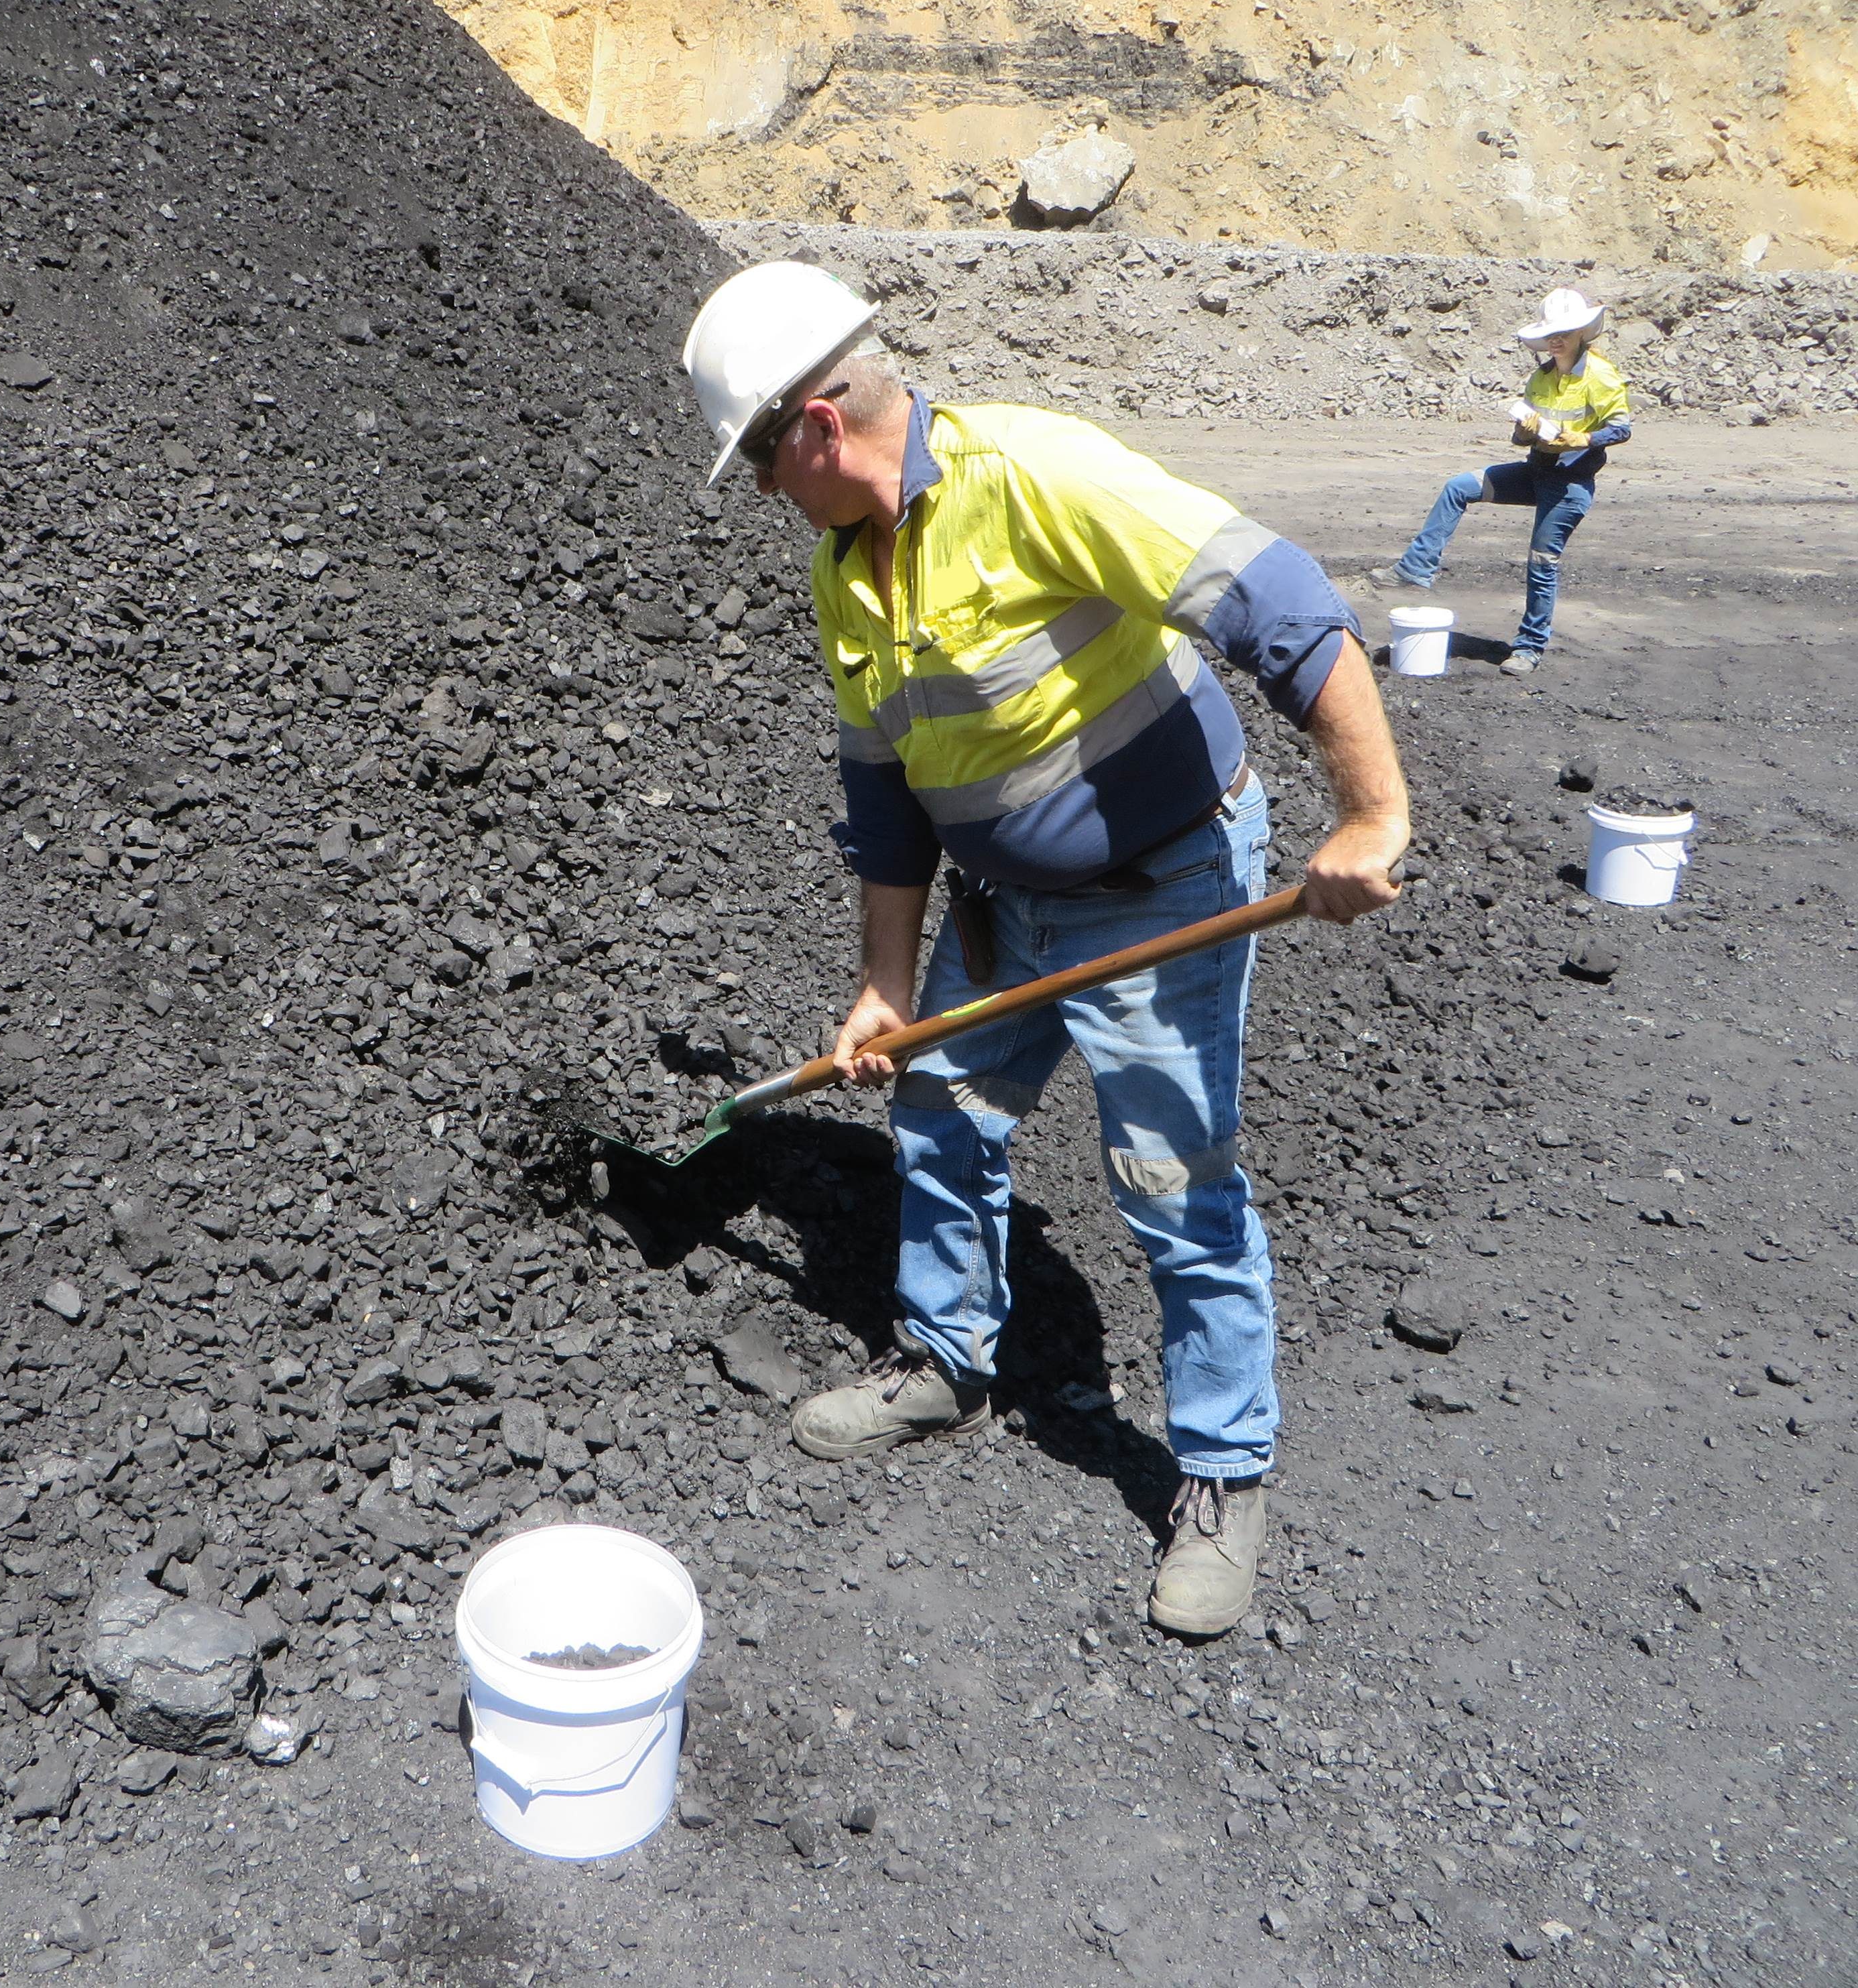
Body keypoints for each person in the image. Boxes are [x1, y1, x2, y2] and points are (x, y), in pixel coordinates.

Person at [680, 261, 1412, 1638]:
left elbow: (1281, 598)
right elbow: (883, 793)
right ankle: (947, 1363)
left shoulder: (1035, 475)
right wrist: (885, 984)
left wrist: (1370, 813)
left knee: (1169, 1180)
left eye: (763, 466)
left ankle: (1217, 1472)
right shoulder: (844, 571)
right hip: (1003, 899)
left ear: (818, 430)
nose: (767, 497)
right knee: (937, 1108)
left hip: (1163, 885)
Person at [1370, 287, 1633, 674]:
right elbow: (1520, 438)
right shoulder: (1540, 378)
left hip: (1569, 486)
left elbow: (1623, 428)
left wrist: (1586, 438)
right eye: (1550, 334)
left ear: (1582, 332)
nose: (1556, 340)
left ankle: (1528, 648)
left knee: (1542, 563)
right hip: (1535, 471)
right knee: (1459, 487)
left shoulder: (1601, 375)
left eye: (1565, 332)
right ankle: (1416, 568)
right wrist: (1526, 431)